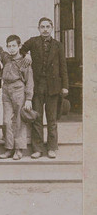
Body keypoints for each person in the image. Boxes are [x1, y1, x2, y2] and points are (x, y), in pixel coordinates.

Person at [20, 17, 69, 159]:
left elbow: (63, 66)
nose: (45, 29)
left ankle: (52, 148)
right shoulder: (33, 41)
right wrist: (27, 54)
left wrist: (65, 86)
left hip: (54, 86)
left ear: (52, 28)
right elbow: (21, 48)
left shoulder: (58, 45)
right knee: (37, 118)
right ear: (39, 28)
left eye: (48, 26)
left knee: (52, 119)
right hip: (37, 85)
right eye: (42, 27)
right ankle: (37, 149)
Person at [0, 35, 34, 160]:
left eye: (14, 46)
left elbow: (29, 81)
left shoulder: (25, 61)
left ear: (19, 46)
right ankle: (9, 148)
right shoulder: (6, 57)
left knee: (19, 120)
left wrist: (28, 99)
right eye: (9, 46)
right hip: (6, 89)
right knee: (6, 120)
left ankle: (18, 149)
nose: (11, 49)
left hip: (18, 89)